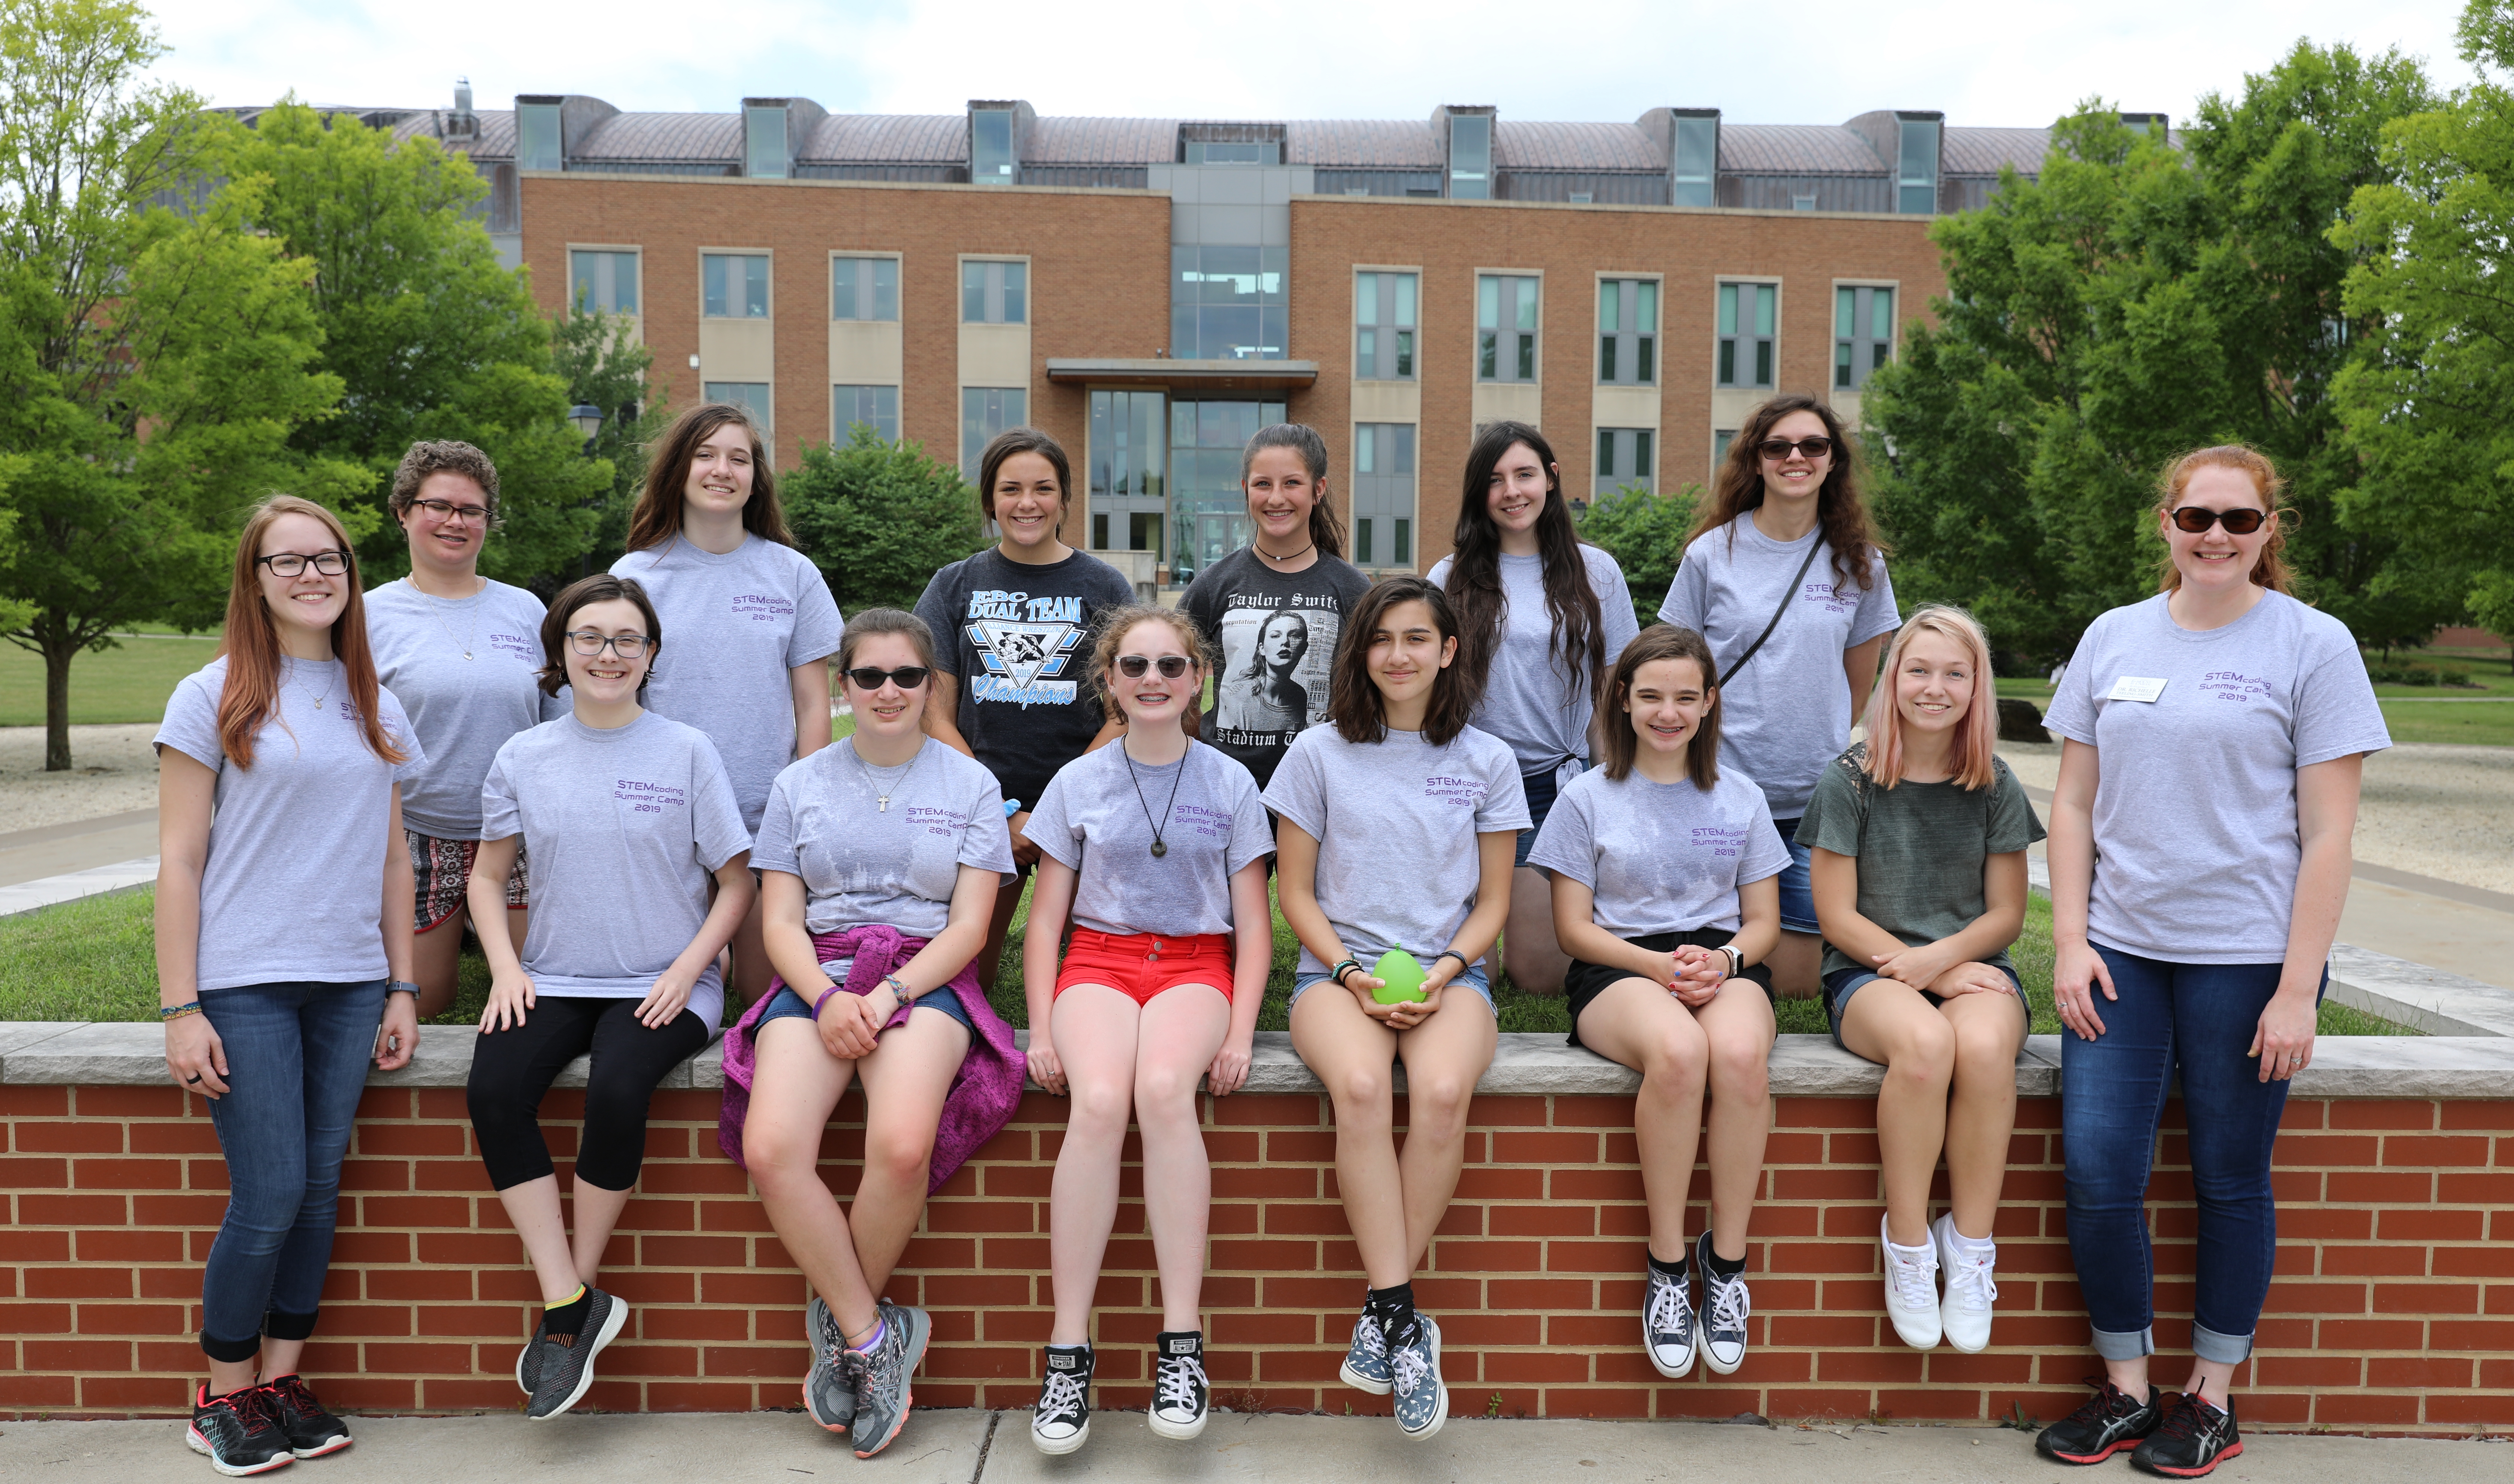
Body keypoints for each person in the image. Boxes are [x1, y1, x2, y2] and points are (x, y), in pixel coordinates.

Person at [2035, 446, 2386, 1478]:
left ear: (2268, 532)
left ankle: (2212, 1397)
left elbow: (2329, 834)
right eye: (2197, 516)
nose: (2216, 537)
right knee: (2100, 1174)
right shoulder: (2112, 636)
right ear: (2166, 524)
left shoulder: (2313, 645)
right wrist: (2068, 938)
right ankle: (2127, 1389)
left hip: (2247, 956)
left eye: (2239, 520)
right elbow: (2069, 802)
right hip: (2120, 955)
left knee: (2228, 1178)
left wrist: (2295, 988)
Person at [154, 495, 424, 1475]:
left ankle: (279, 1380)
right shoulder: (212, 695)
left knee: (317, 1196)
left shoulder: (374, 701)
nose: (312, 574)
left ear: (349, 575)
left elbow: (394, 860)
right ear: (256, 578)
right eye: (288, 560)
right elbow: (179, 861)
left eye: (329, 559)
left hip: (350, 981)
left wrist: (400, 985)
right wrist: (181, 1007)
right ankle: (220, 1397)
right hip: (244, 983)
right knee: (268, 1194)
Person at [724, 609, 1025, 1460]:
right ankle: (870, 1335)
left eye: (906, 676)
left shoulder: (967, 784)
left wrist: (889, 989)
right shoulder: (802, 782)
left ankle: (843, 1331)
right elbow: (779, 916)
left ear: (931, 687)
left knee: (898, 1144)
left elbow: (970, 923)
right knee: (773, 1147)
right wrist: (824, 995)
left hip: (925, 975)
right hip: (816, 973)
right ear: (843, 687)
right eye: (868, 677)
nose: (887, 691)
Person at [463, 574, 755, 1421]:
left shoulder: (686, 749)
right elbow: (487, 879)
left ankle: (574, 1300)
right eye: (590, 638)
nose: (608, 654)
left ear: (651, 654)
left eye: (627, 640)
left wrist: (690, 966)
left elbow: (735, 883)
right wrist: (507, 969)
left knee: (621, 1085)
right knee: (493, 1090)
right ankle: (568, 1300)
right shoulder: (525, 755)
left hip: (666, 982)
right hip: (552, 974)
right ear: (561, 652)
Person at [1264, 576, 1527, 1442]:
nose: (1398, 654)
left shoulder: (1485, 759)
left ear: (1448, 650)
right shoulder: (1316, 752)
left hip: (1453, 977)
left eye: (1417, 637)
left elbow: (1492, 901)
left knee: (1443, 1090)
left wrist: (1449, 969)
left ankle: (1383, 1316)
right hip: (1334, 977)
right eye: (1380, 638)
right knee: (1363, 1087)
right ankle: (1404, 1319)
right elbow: (1293, 891)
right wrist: (1347, 971)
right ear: (1359, 652)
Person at [1020, 606, 1272, 1454]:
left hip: (1196, 964)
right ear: (1110, 680)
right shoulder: (1077, 780)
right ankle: (1066, 1350)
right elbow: (1045, 918)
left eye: (1171, 664)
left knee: (1164, 1089)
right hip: (1095, 958)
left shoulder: (1230, 782)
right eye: (1135, 665)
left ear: (1198, 677)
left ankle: (1180, 1342)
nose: (1153, 678)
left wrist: (1238, 1029)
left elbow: (1252, 921)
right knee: (1096, 1099)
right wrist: (1037, 1028)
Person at [1528, 625, 1784, 1380]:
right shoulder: (1585, 797)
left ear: (1709, 703)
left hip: (1720, 961)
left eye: (1683, 696)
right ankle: (1669, 1266)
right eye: (1649, 696)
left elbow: (1763, 920)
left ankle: (1726, 1265)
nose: (1666, 712)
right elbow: (1573, 929)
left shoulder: (1740, 795)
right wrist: (1657, 967)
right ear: (1623, 701)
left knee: (1736, 1055)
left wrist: (1727, 959)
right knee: (1678, 1053)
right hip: (1620, 965)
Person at [1797, 605, 2041, 1357]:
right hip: (1868, 973)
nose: (1934, 688)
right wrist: (1913, 967)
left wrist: (1942, 963)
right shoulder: (1851, 779)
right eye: (1918, 670)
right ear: (1892, 678)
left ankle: (1968, 1248)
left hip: (1968, 966)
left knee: (1982, 1050)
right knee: (1928, 1046)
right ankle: (1906, 1244)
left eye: (1953, 674)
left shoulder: (1994, 784)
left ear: (1977, 688)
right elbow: (1835, 917)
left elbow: (2006, 914)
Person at [1657, 394, 1898, 999]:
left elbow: (1858, 684)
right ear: (1756, 460)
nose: (1796, 456)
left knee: (1792, 985)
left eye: (1813, 445)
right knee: (1693, 956)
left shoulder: (1860, 563)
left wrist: (1814, 743)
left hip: (1811, 800)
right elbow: (1674, 669)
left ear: (1832, 461)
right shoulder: (1712, 553)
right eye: (1778, 446)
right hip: (1716, 789)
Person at [613, 402, 844, 1008]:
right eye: (706, 454)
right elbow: (614, 700)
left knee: (763, 992)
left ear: (755, 475)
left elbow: (813, 703)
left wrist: (804, 801)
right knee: (682, 986)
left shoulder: (791, 573)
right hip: (663, 815)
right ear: (679, 469)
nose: (722, 469)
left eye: (738, 457)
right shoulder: (636, 575)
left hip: (762, 821)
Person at [914, 428, 1137, 989]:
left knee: (1093, 976)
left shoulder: (1104, 584)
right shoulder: (953, 584)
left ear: (1065, 500)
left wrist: (1056, 810)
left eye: (1043, 488)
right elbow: (934, 713)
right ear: (990, 500)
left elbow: (1124, 711)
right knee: (963, 978)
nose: (1027, 503)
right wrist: (1000, 809)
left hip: (1086, 809)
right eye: (1010, 489)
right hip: (980, 805)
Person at [1429, 420, 1638, 997]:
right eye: (1495, 480)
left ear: (1550, 479)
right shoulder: (1448, 578)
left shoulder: (1596, 571)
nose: (1512, 492)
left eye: (1524, 474)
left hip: (1554, 784)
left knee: (1538, 975)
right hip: (1465, 782)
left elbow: (1610, 686)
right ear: (1479, 493)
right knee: (1471, 972)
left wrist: (1612, 781)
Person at [364, 440, 557, 1019]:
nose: (455, 521)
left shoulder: (526, 610)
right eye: (437, 505)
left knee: (542, 997)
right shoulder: (367, 617)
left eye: (471, 510)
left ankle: (491, 923)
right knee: (427, 999)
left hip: (518, 835)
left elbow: (560, 725)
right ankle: (459, 929)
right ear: (403, 511)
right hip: (418, 837)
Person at [1177, 423, 1371, 789]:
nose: (1276, 498)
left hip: (1317, 794)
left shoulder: (1351, 588)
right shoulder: (1213, 584)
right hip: (1225, 792)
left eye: (1292, 483)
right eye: (1263, 484)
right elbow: (1170, 672)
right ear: (1245, 490)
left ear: (1318, 490)